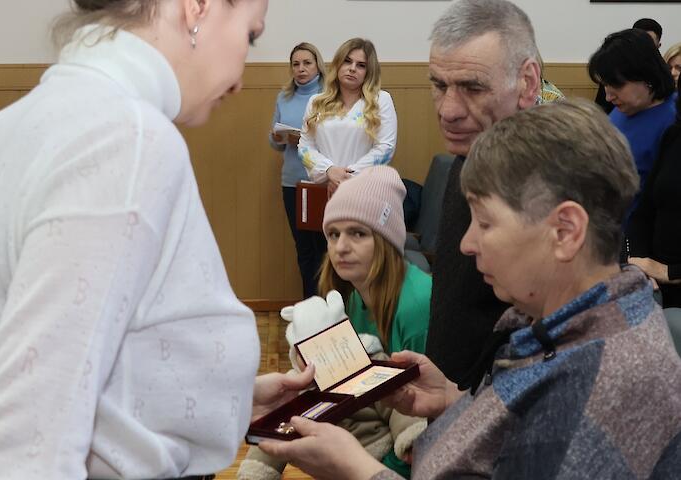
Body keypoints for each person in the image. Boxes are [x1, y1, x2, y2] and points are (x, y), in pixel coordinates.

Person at [0, 0, 280, 478]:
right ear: (197, 6)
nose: (241, 79)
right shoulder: (128, 137)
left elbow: (78, 359)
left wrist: (216, 399)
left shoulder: (10, 124)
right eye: (251, 35)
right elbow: (22, 452)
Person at [259, 99, 681, 480]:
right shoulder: (556, 329)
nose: (466, 244)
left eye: (485, 222)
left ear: (565, 231)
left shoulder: (607, 385)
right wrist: (454, 399)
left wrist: (358, 470)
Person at [239, 166, 432, 479]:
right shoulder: (352, 297)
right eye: (333, 234)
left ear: (385, 239)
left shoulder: (417, 304)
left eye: (358, 233)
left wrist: (354, 469)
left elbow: (426, 428)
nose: (340, 247)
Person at [421, 0, 541, 386]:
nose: (448, 111)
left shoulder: (553, 181)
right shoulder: (471, 151)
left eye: (473, 88)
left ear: (527, 83)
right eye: (439, 86)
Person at [588, 28, 677, 223]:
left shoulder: (673, 121)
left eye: (617, 85)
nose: (608, 96)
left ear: (647, 77)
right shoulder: (624, 109)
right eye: (605, 85)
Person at [299, 38, 398, 195]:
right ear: (338, 64)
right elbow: (305, 147)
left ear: (369, 72)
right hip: (324, 187)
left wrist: (346, 177)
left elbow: (385, 148)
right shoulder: (316, 102)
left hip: (365, 189)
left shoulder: (381, 100)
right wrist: (329, 170)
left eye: (361, 65)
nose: (352, 69)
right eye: (347, 61)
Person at [268, 42, 327, 299]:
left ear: (318, 66)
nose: (301, 69)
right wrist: (278, 137)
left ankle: (333, 309)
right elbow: (275, 143)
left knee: (326, 249)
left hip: (322, 182)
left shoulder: (329, 96)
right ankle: (311, 307)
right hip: (292, 183)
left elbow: (336, 140)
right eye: (296, 64)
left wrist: (305, 140)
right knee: (304, 250)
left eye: (307, 63)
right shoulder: (284, 97)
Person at [627, 78, 681, 307]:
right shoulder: (674, 136)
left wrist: (670, 272)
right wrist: (639, 261)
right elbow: (644, 211)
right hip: (654, 279)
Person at [595, 18, 663, 114]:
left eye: (649, 45)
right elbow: (601, 108)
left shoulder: (666, 73)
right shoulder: (614, 69)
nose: (642, 50)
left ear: (658, 46)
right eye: (638, 44)